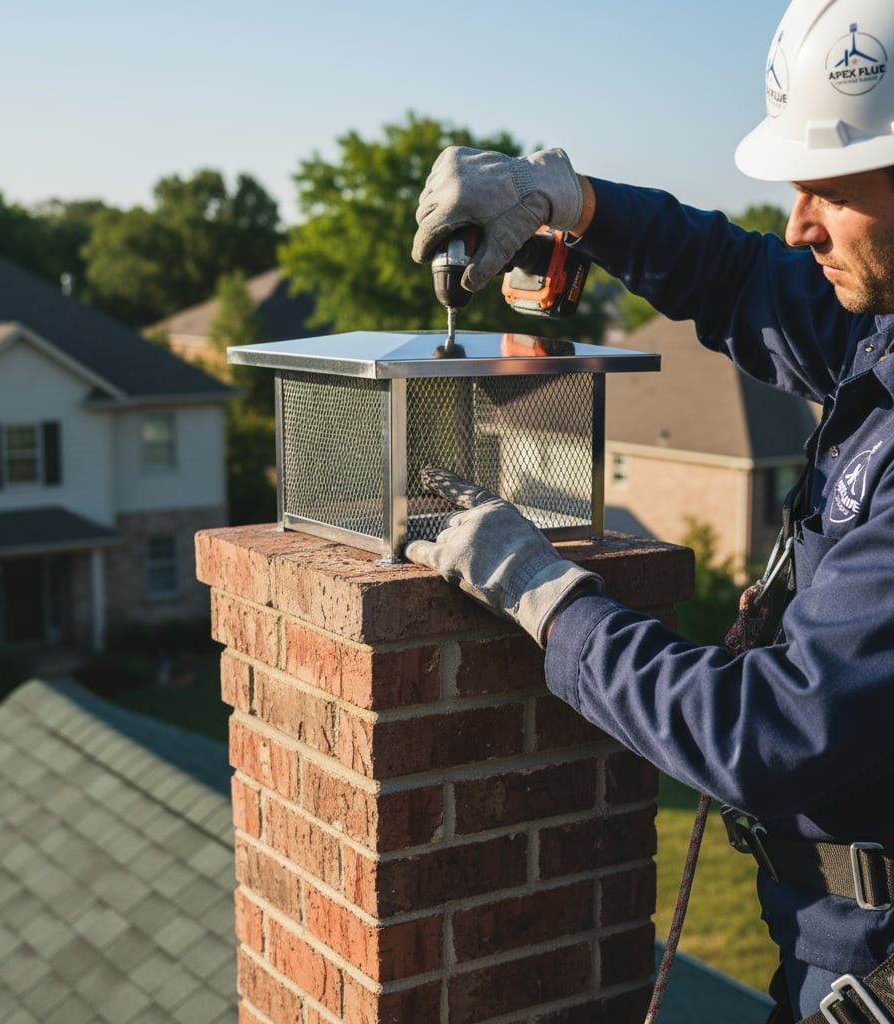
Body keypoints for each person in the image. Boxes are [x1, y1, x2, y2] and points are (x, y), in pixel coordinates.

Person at [406, 2, 894, 1022]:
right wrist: (566, 197)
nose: (800, 223)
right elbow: (740, 278)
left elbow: (777, 730)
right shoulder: (877, 330)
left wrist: (547, 598)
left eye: (829, 192)